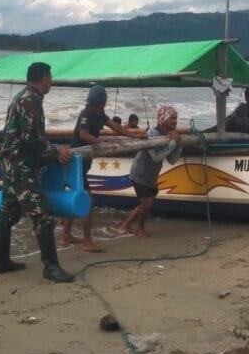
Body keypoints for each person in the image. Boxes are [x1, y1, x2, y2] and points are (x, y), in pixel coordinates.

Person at [0, 62, 74, 283]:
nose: (52, 81)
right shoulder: (30, 100)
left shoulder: (23, 96)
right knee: (42, 213)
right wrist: (56, 152)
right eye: (50, 77)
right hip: (20, 166)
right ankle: (51, 267)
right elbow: (31, 137)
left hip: (11, 163)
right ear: (43, 78)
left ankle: (1, 262)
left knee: (7, 212)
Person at [61, 85, 140, 252]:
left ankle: (67, 234)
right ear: (102, 101)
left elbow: (114, 126)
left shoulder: (99, 113)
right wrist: (104, 142)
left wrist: (133, 135)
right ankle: (87, 242)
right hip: (76, 162)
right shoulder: (87, 113)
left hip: (83, 163)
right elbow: (83, 135)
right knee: (87, 200)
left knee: (75, 195)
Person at [116, 105, 182, 238]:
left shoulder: (168, 135)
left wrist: (178, 146)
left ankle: (125, 225)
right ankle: (139, 229)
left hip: (151, 176)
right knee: (147, 203)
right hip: (140, 173)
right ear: (163, 119)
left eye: (176, 118)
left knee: (145, 204)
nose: (175, 121)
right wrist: (173, 143)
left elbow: (172, 160)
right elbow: (156, 156)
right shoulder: (153, 133)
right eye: (172, 118)